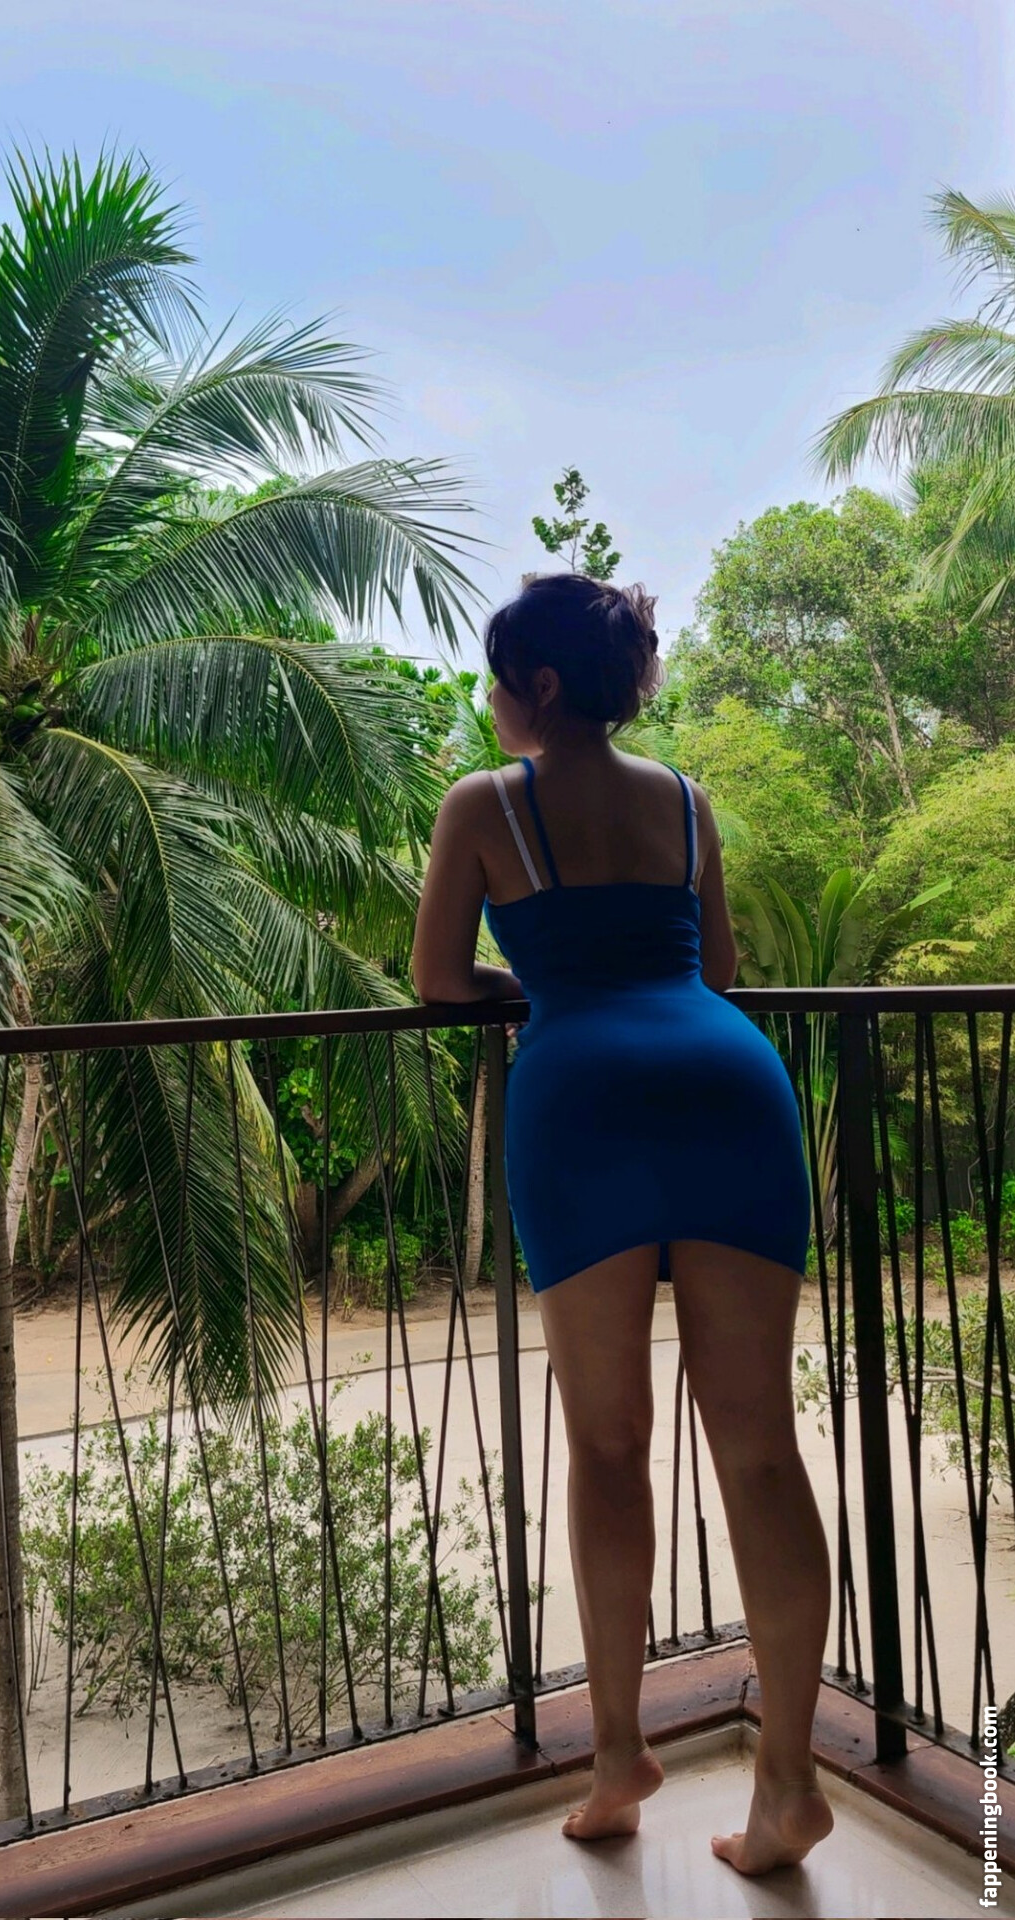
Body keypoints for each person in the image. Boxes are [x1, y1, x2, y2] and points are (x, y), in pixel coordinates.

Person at [411, 571, 833, 1875]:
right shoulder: (687, 801)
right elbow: (718, 969)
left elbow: (436, 979)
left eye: (499, 680)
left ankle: (615, 1760)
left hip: (583, 1101)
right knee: (760, 1451)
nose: (492, 701)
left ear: (538, 688)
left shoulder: (483, 805)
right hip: (728, 1086)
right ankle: (788, 1782)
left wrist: (543, 986)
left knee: (606, 1449)